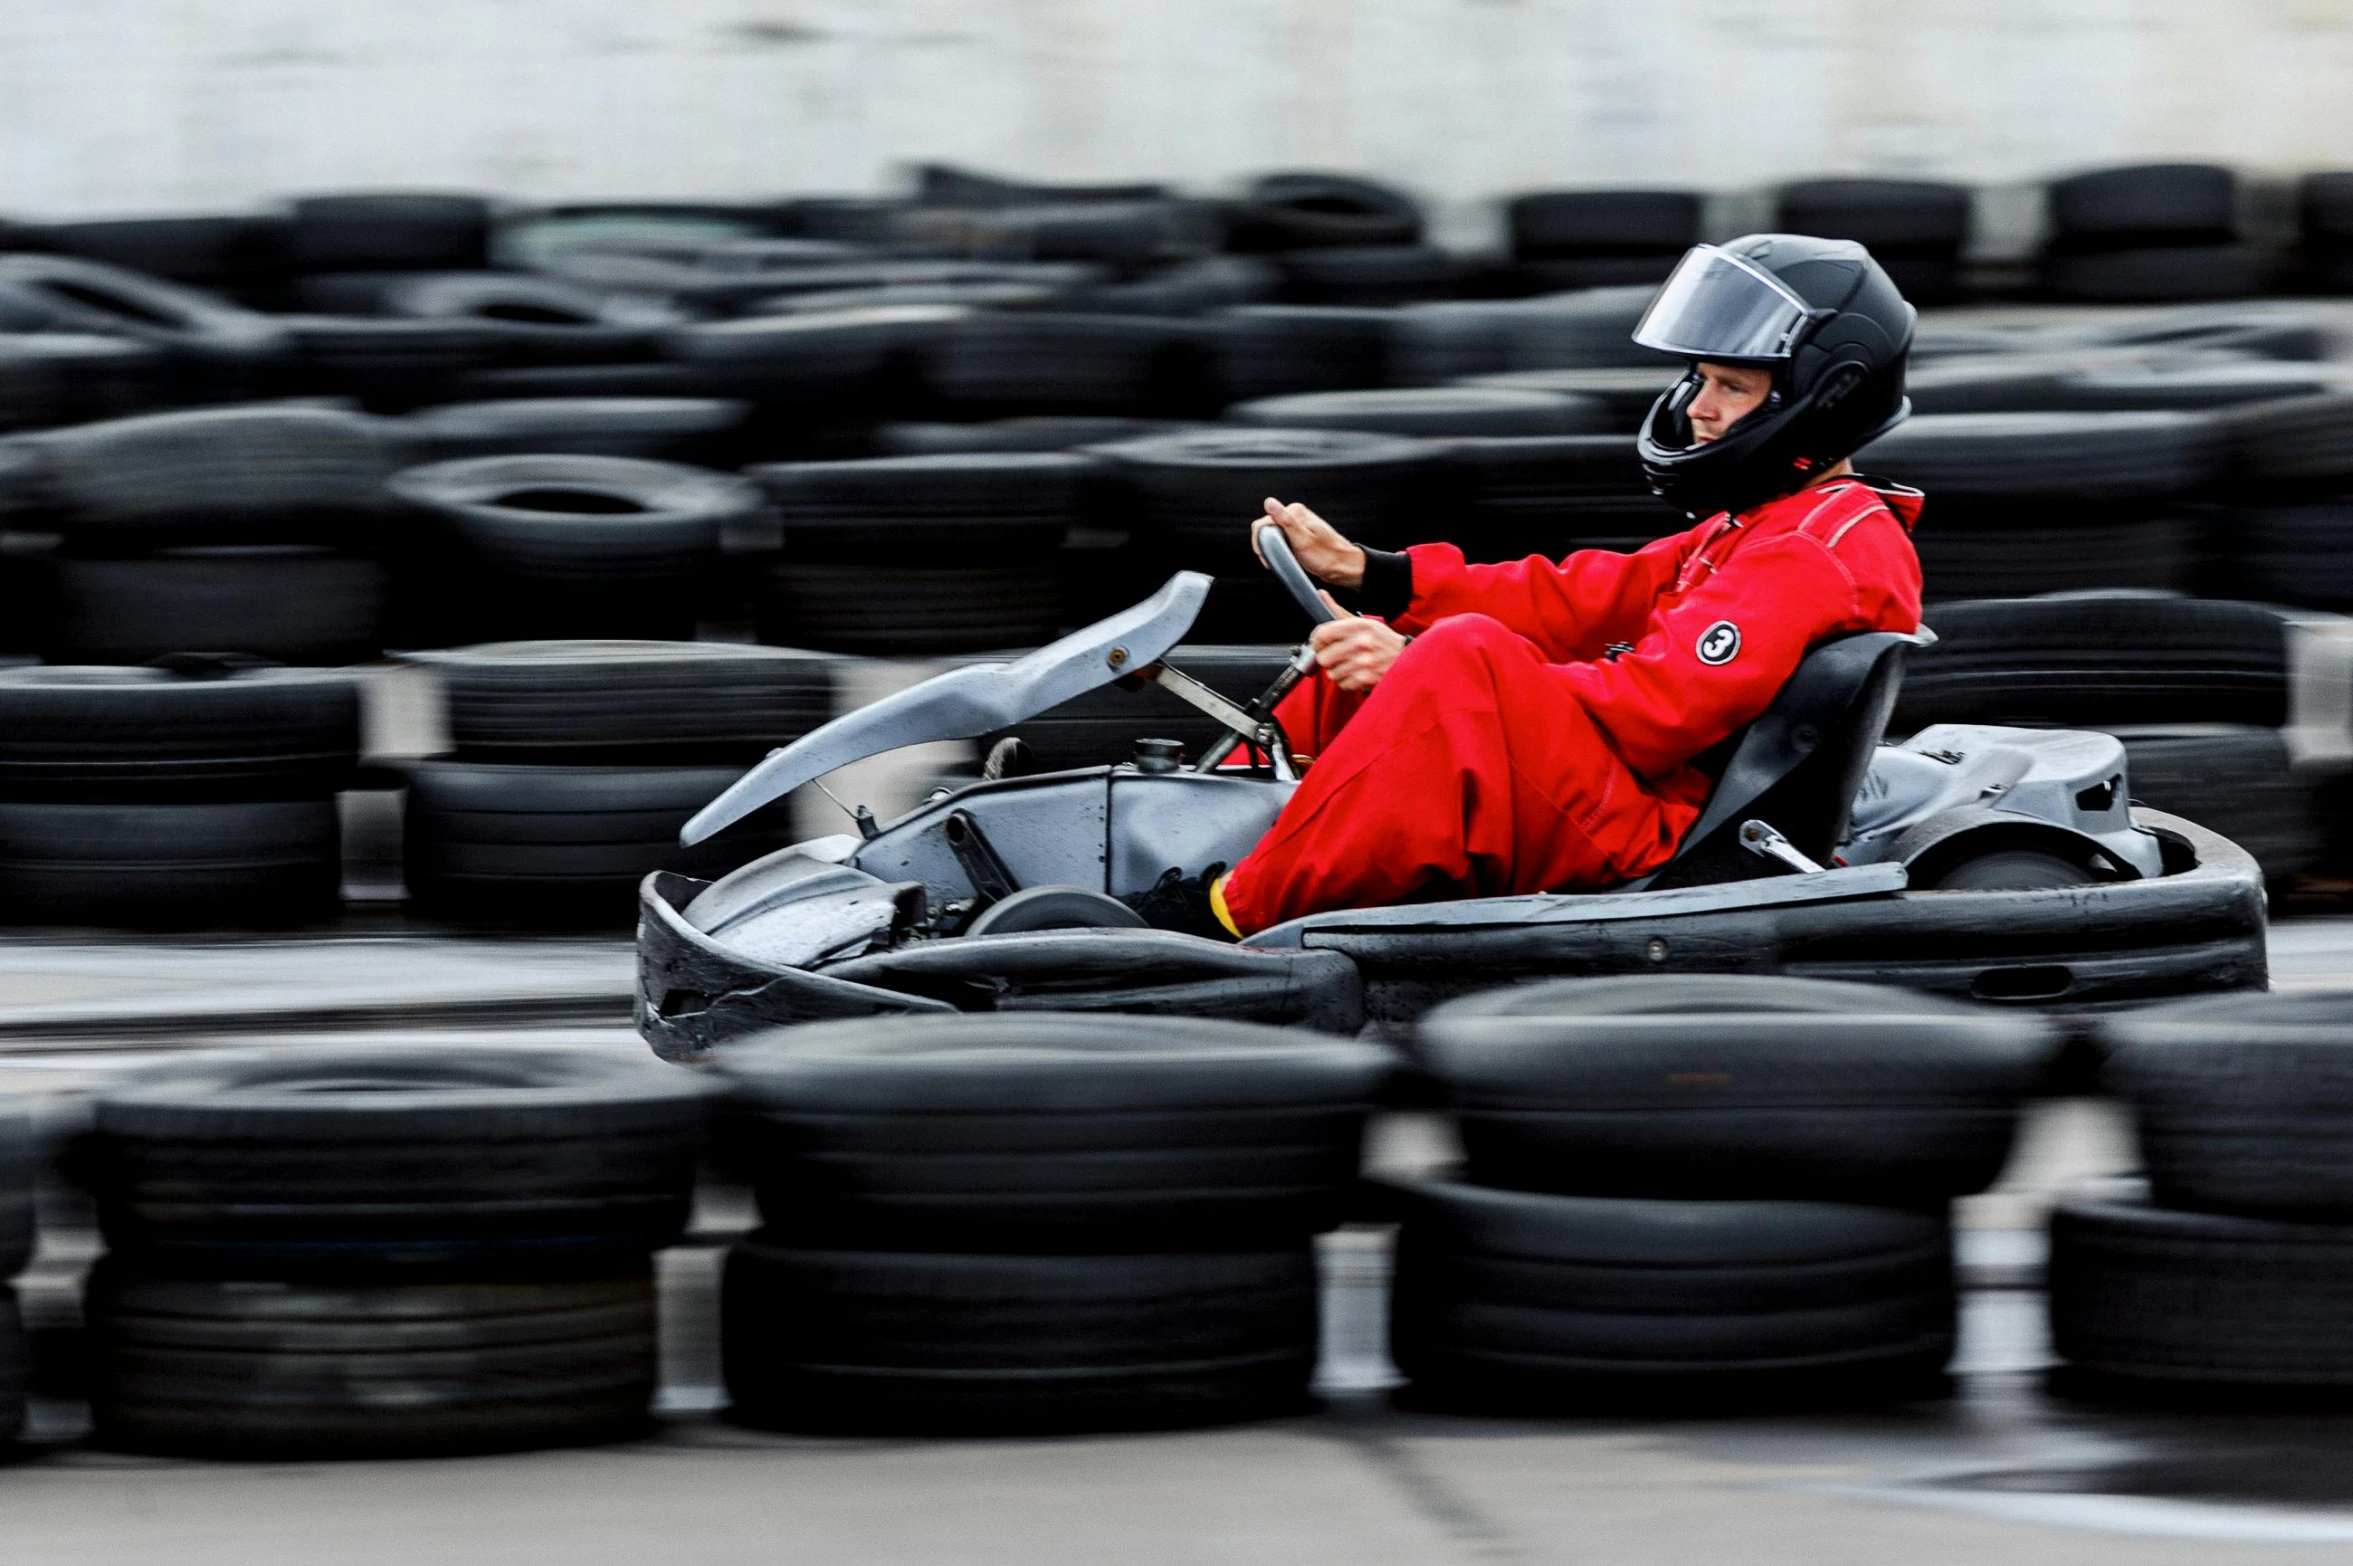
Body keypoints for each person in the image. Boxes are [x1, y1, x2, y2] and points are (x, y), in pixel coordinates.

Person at [1125, 233, 1926, 939]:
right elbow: (1585, 595)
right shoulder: (1771, 521)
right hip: (1639, 797)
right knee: (1352, 658)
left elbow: (1657, 710)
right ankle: (1214, 833)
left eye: (1732, 387)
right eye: (1700, 379)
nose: (1700, 409)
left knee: (1454, 663)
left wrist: (1415, 661)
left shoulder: (1808, 552)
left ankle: (1220, 919)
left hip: (1665, 836)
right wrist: (1378, 575)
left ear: (1825, 401)